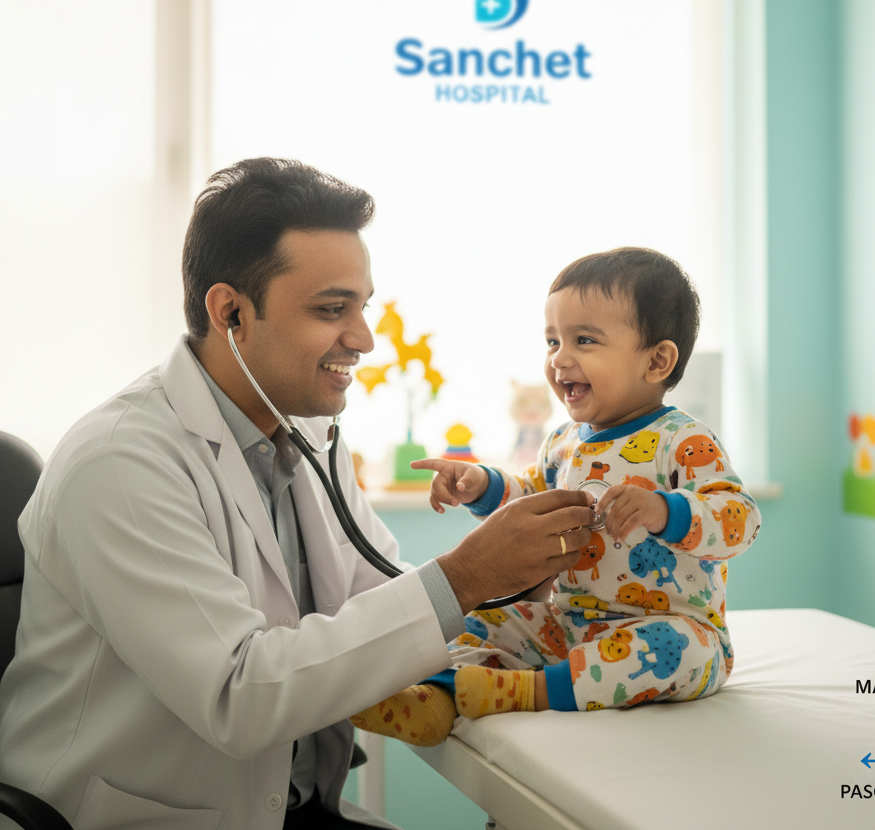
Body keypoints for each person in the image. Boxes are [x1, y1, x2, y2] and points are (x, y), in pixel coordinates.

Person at [0, 158, 597, 830]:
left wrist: (522, 582)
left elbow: (374, 595)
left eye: (361, 307)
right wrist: (466, 576)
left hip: (297, 808)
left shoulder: (305, 433)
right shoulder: (120, 465)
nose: (364, 339)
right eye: (331, 310)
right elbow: (238, 695)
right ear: (230, 312)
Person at [360, 247, 761, 733]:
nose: (560, 359)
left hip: (664, 628)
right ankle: (437, 696)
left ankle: (525, 691)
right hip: (566, 625)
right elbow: (529, 501)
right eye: (552, 341)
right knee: (472, 622)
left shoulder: (683, 441)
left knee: (683, 653)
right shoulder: (564, 441)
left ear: (657, 361)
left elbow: (740, 518)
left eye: (584, 340)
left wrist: (664, 510)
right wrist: (482, 484)